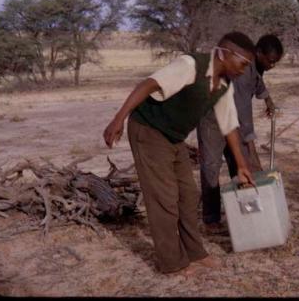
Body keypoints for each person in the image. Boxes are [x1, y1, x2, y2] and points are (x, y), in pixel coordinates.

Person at [103, 31, 256, 276]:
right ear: (226, 53)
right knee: (164, 198)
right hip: (148, 130)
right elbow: (148, 84)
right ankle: (171, 263)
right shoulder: (190, 65)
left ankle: (195, 253)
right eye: (244, 63)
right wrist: (118, 119)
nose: (245, 69)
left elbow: (229, 126)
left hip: (174, 139)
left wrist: (241, 166)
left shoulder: (223, 86)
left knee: (188, 195)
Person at [197, 34, 284, 233]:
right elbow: (241, 111)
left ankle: (249, 214)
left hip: (234, 120)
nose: (271, 66)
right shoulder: (243, 71)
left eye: (275, 63)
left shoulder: (255, 67)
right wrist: (250, 144)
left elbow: (259, 83)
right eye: (269, 61)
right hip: (213, 119)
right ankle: (211, 218)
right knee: (212, 166)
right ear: (258, 53)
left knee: (241, 167)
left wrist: (268, 101)